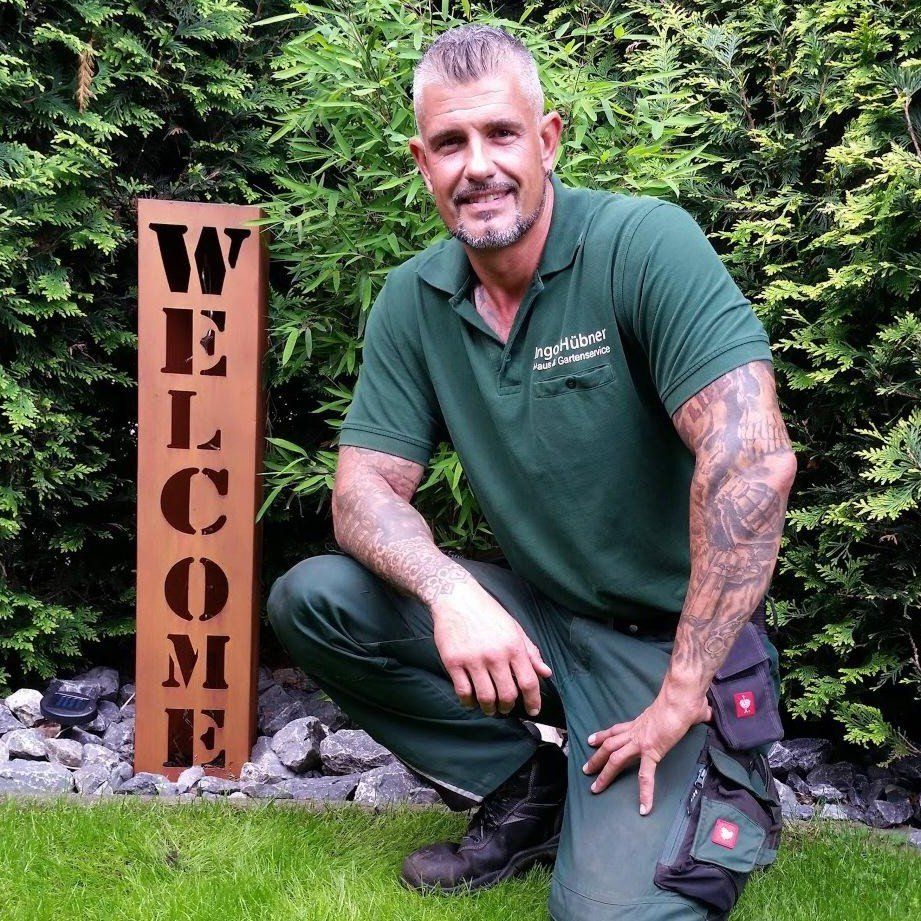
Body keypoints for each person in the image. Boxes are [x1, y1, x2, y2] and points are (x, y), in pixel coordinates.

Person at [267, 23, 797, 921]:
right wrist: (450, 593)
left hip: (668, 646)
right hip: (541, 622)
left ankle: (727, 780)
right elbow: (362, 491)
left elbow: (752, 462)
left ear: (546, 140)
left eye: (500, 133)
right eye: (449, 142)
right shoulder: (414, 300)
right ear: (422, 163)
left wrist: (681, 692)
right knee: (315, 597)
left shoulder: (642, 244)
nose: (477, 165)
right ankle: (530, 789)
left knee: (604, 916)